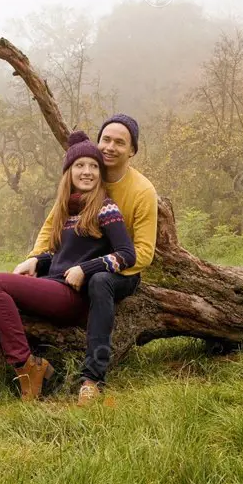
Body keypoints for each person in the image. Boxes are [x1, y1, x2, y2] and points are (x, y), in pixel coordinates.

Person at [0, 130, 136, 402]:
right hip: (53, 283)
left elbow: (127, 254)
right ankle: (3, 362)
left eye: (94, 166)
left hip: (74, 296)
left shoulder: (105, 208)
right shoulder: (65, 210)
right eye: (80, 165)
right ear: (68, 172)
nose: (87, 172)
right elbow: (62, 254)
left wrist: (88, 269)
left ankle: (26, 366)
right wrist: (38, 260)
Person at [19, 113, 157, 404]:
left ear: (132, 151)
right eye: (105, 139)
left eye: (120, 142)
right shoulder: (86, 174)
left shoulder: (142, 191)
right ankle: (33, 365)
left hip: (122, 270)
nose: (110, 146)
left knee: (100, 281)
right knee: (38, 283)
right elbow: (52, 225)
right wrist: (35, 258)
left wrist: (93, 266)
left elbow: (143, 254)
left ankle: (92, 379)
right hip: (77, 264)